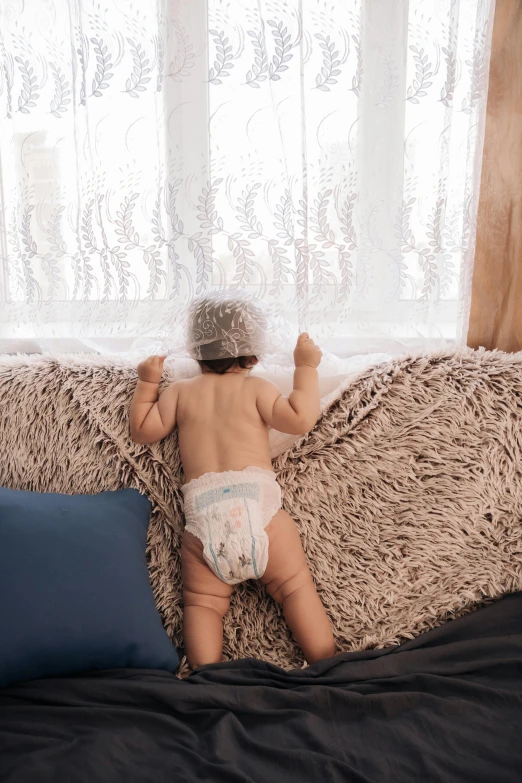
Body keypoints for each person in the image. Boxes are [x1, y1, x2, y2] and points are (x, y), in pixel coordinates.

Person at [130, 293, 335, 669]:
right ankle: (327, 663)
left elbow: (142, 430)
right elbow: (300, 418)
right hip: (260, 511)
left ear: (195, 349)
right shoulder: (255, 389)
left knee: (202, 604)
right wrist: (305, 368)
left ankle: (207, 677)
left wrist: (147, 381)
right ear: (255, 353)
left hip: (205, 516)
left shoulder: (179, 393)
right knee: (294, 588)